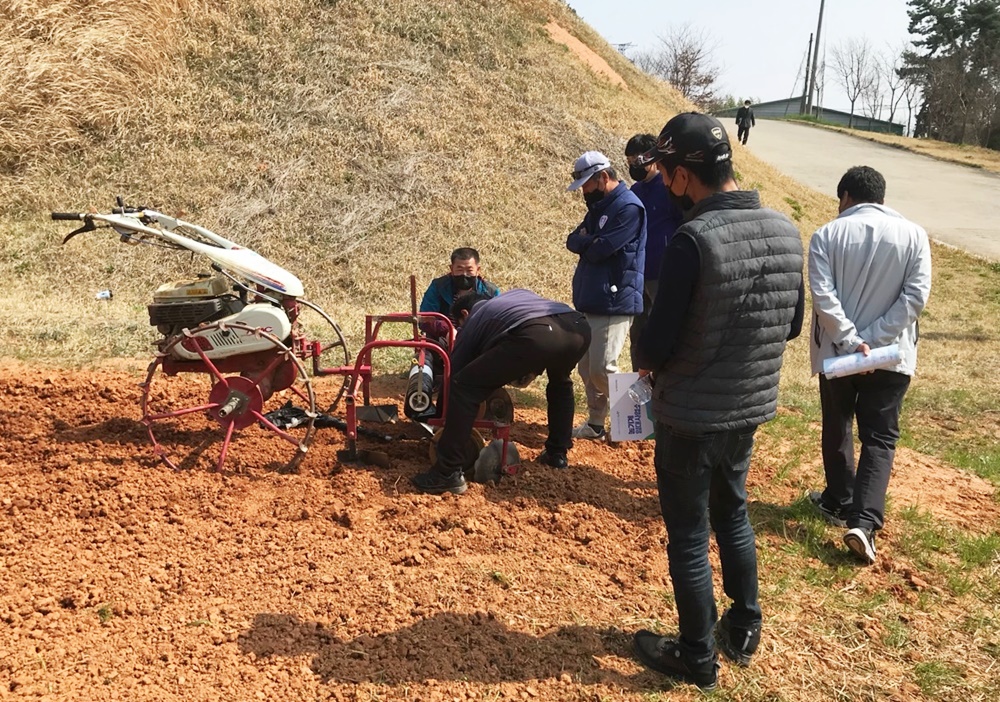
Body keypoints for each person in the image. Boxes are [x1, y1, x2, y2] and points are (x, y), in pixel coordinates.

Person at [630, 112, 805, 690]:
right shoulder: (784, 228)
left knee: (686, 532)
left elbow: (655, 347)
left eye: (668, 175)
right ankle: (745, 623)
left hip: (689, 416)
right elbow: (792, 324)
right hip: (748, 405)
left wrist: (641, 336)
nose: (667, 186)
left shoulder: (693, 240)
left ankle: (697, 655)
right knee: (732, 511)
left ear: (683, 176)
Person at [807, 166, 932, 566]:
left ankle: (841, 500)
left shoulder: (827, 234)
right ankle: (863, 522)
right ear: (881, 197)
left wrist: (851, 341)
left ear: (845, 196)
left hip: (838, 353)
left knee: (838, 423)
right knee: (880, 437)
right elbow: (915, 298)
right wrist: (875, 341)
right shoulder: (915, 235)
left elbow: (823, 296)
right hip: (891, 355)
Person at [411, 289, 592, 495]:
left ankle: (446, 473)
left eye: (459, 325)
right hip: (578, 328)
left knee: (464, 387)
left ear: (465, 315)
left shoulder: (475, 319)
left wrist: (441, 416)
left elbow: (456, 375)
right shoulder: (512, 299)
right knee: (560, 383)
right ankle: (556, 454)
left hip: (537, 333)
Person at [565, 150, 646, 440]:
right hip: (593, 296)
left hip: (615, 299)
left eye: (586, 184)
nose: (584, 192)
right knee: (587, 368)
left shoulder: (628, 208)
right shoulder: (601, 207)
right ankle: (596, 424)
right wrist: (589, 240)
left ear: (603, 177)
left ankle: (633, 423)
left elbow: (601, 249)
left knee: (603, 367)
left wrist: (588, 241)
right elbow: (572, 240)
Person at [625, 134, 683, 370]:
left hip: (662, 273)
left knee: (663, 329)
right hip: (637, 273)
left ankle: (664, 379)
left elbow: (682, 225)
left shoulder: (670, 188)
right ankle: (636, 381)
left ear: (651, 158)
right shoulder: (634, 190)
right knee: (637, 333)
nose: (632, 167)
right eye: (629, 162)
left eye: (636, 161)